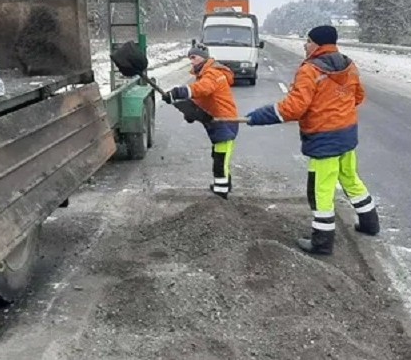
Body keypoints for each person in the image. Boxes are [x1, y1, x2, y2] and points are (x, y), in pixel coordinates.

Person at [244, 25, 380, 255]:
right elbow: (358, 96)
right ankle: (370, 223)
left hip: (324, 138)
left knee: (321, 190)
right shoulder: (349, 65)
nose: (304, 45)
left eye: (307, 41)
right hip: (347, 134)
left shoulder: (310, 70)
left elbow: (294, 108)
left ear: (317, 44)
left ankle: (322, 242)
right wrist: (337, 109)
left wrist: (257, 117)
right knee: (349, 178)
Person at [163, 43, 240, 199]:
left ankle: (221, 194)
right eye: (189, 58)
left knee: (220, 161)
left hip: (225, 122)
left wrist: (180, 91)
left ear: (203, 58)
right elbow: (201, 98)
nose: (191, 61)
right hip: (218, 122)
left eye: (194, 57)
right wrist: (189, 111)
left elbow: (202, 89)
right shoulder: (205, 74)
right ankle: (224, 185)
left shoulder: (213, 74)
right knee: (219, 157)